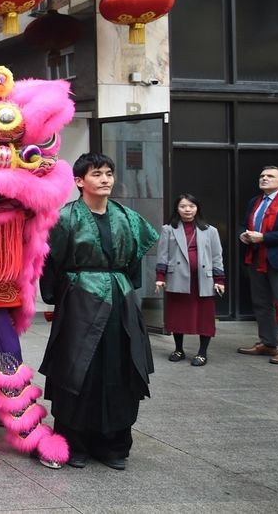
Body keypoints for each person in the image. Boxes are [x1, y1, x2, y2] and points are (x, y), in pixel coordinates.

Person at [40, 153, 158, 471]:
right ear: (79, 181)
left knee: (120, 369)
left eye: (108, 173)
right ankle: (74, 443)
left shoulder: (128, 218)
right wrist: (56, 296)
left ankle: (113, 445)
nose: (105, 179)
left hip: (120, 301)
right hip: (79, 300)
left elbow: (134, 264)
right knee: (78, 370)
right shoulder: (64, 218)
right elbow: (50, 263)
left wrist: (127, 293)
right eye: (97, 174)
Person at [235, 165, 278, 365]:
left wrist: (265, 237)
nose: (264, 178)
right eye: (262, 175)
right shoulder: (255, 202)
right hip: (256, 258)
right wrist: (243, 234)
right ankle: (268, 343)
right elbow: (244, 224)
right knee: (261, 303)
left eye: (270, 176)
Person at [154, 194, 225, 366]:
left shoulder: (210, 230)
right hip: (177, 278)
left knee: (205, 317)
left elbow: (217, 257)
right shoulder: (168, 229)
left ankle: (202, 353)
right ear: (177, 209)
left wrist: (220, 280)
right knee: (178, 315)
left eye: (191, 206)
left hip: (203, 280)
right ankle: (178, 349)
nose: (187, 210)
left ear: (197, 208)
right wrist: (160, 277)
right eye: (183, 206)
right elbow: (163, 255)